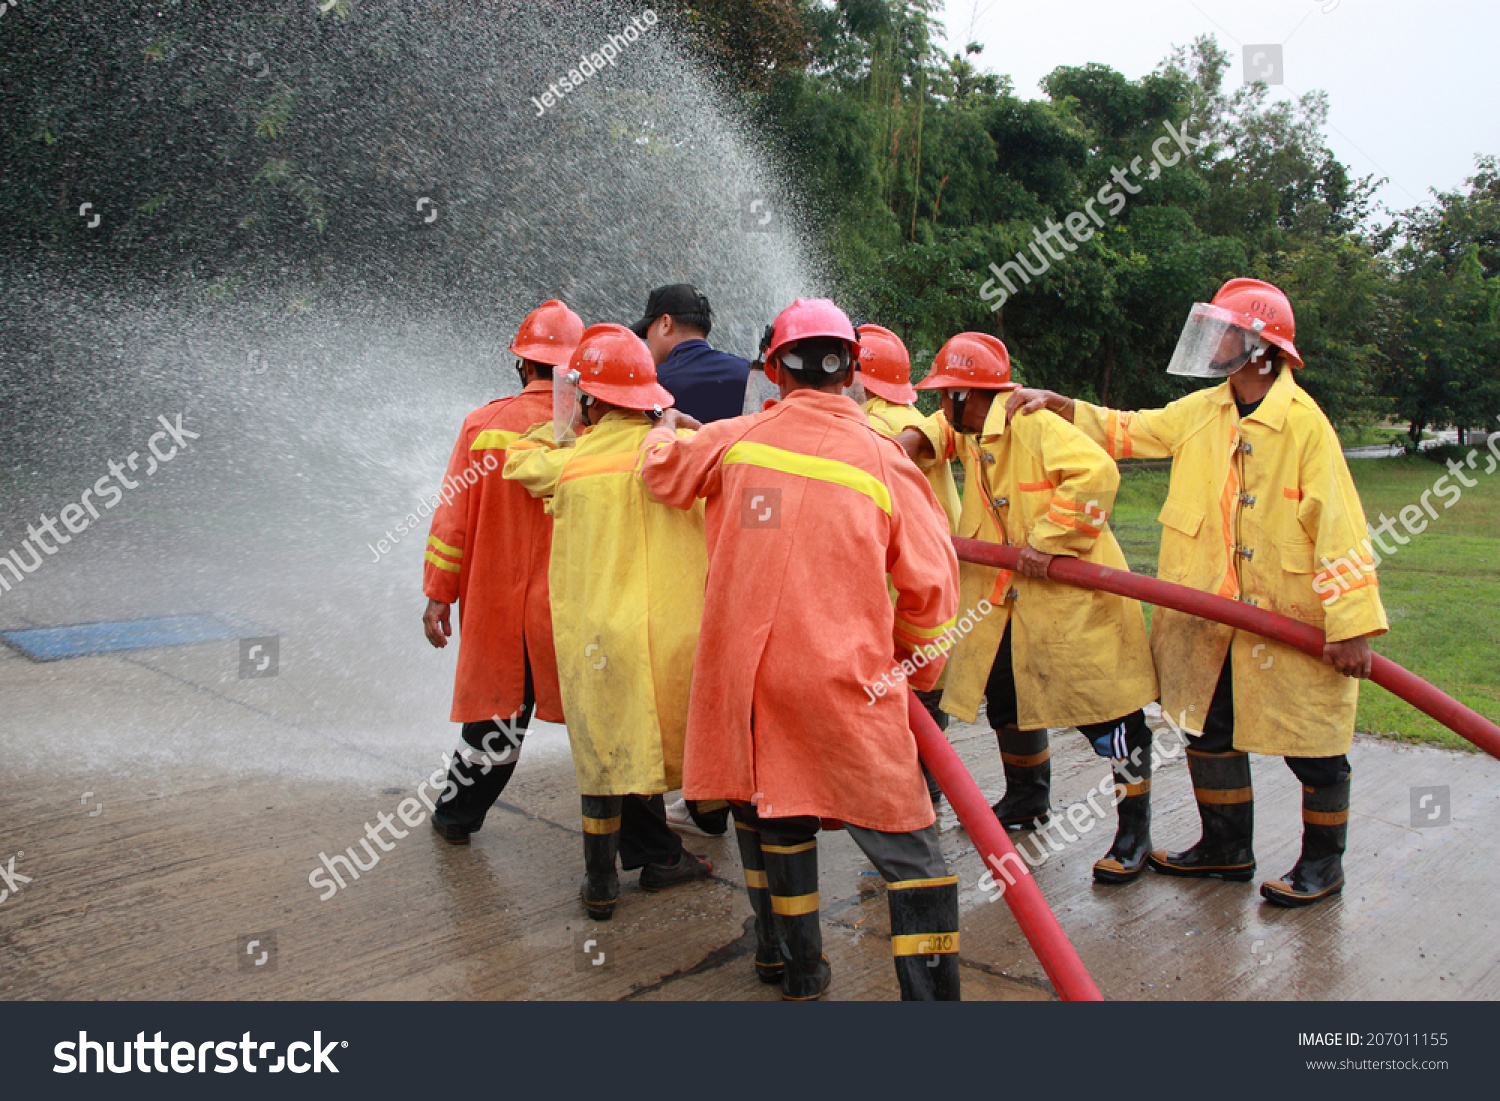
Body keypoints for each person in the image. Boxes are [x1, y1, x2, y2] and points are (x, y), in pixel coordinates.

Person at [1006, 278, 1388, 907]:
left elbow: (1341, 531)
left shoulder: (1304, 427)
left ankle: (1324, 866)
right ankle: (1225, 849)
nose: (1215, 343)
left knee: (1314, 751)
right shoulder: (1205, 411)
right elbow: (1132, 431)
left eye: (1228, 332)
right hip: (1208, 623)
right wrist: (1063, 405)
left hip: (1287, 622)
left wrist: (1350, 626)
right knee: (1209, 732)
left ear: (1261, 348)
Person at [638, 298, 963, 1001]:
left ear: (774, 371)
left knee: (775, 810)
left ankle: (796, 967)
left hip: (751, 680)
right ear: (850, 370)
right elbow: (932, 591)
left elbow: (661, 474)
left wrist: (661, 427)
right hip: (850, 683)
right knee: (912, 852)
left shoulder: (736, 438)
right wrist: (917, 672)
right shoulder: (885, 461)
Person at [914, 333, 1160, 883]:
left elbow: (1098, 475)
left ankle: (1134, 832)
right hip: (1006, 605)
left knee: (1112, 719)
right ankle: (1026, 801)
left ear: (965, 395)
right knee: (1009, 699)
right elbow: (934, 432)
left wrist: (1048, 539)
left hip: (1070, 606)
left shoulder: (1033, 423)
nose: (942, 408)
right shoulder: (974, 429)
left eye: (946, 396)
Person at [503, 322, 714, 919]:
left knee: (600, 755)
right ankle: (684, 856)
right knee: (662, 744)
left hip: (592, 637)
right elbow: (726, 455)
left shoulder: (568, 466)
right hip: (667, 639)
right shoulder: (676, 456)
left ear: (591, 399)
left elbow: (517, 461)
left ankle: (599, 886)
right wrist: (677, 425)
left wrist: (567, 428)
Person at [421, 299, 582, 845]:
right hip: (572, 610)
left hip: (499, 610)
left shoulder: (481, 427)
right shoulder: (592, 431)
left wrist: (438, 596)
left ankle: (455, 818)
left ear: (523, 364)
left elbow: (452, 523)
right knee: (603, 724)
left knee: (495, 725)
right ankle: (634, 845)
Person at [855, 322, 961, 804]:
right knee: (927, 703)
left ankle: (909, 810)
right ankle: (929, 797)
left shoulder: (868, 429)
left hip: (895, 596)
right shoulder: (913, 418)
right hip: (939, 594)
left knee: (898, 713)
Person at [630, 284, 750, 424]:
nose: (648, 342)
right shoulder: (749, 374)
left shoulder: (652, 386)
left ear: (665, 323)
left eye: (646, 332)